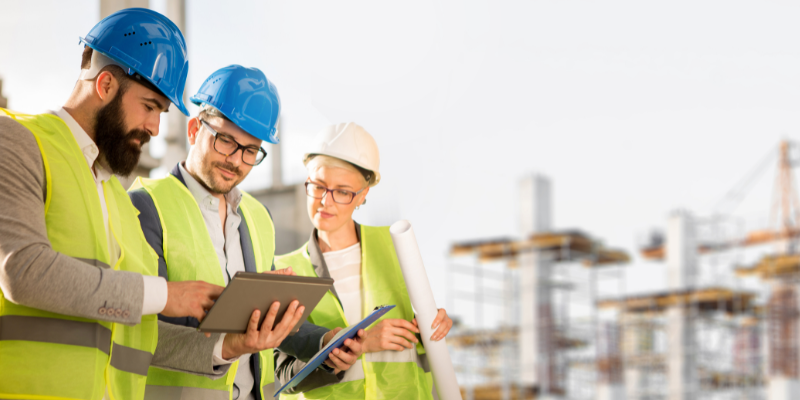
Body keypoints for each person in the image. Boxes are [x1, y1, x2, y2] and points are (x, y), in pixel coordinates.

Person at [0, 8, 257, 400]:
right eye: (150, 106)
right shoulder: (18, 143)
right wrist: (165, 294)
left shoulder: (119, 200)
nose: (155, 127)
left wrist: (227, 347)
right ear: (105, 84)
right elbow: (22, 271)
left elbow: (139, 335)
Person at [129, 65, 363, 400]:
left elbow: (264, 322)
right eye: (225, 140)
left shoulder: (257, 216)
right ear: (195, 130)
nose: (235, 160)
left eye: (250, 150)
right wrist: (228, 346)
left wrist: (324, 342)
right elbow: (138, 331)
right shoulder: (145, 206)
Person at [274, 123, 454, 399]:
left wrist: (433, 325)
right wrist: (360, 342)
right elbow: (285, 375)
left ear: (363, 195)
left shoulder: (397, 246)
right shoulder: (286, 270)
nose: (325, 201)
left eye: (343, 191)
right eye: (318, 186)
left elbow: (424, 351)